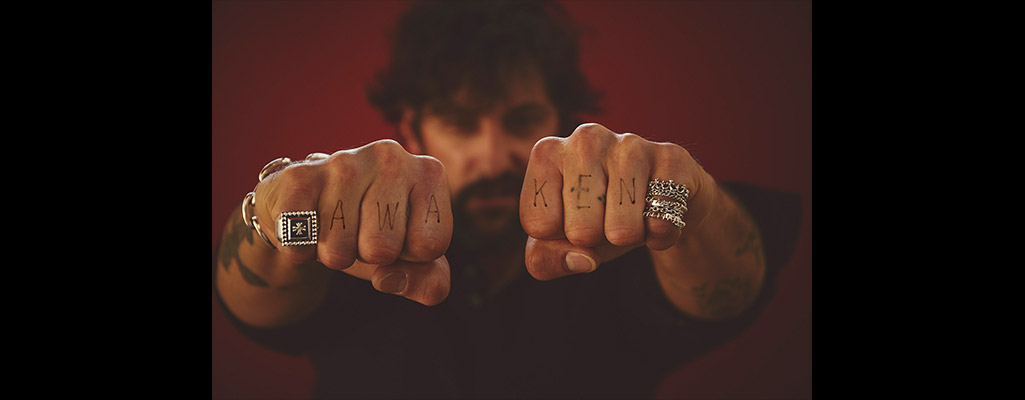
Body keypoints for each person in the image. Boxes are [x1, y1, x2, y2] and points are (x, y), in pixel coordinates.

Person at [214, 1, 800, 398]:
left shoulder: (625, 246)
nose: (493, 158)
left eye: (521, 120)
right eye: (460, 123)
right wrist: (275, 208)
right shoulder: (349, 236)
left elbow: (729, 292)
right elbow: (255, 308)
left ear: (560, 123)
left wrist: (695, 203)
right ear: (414, 131)